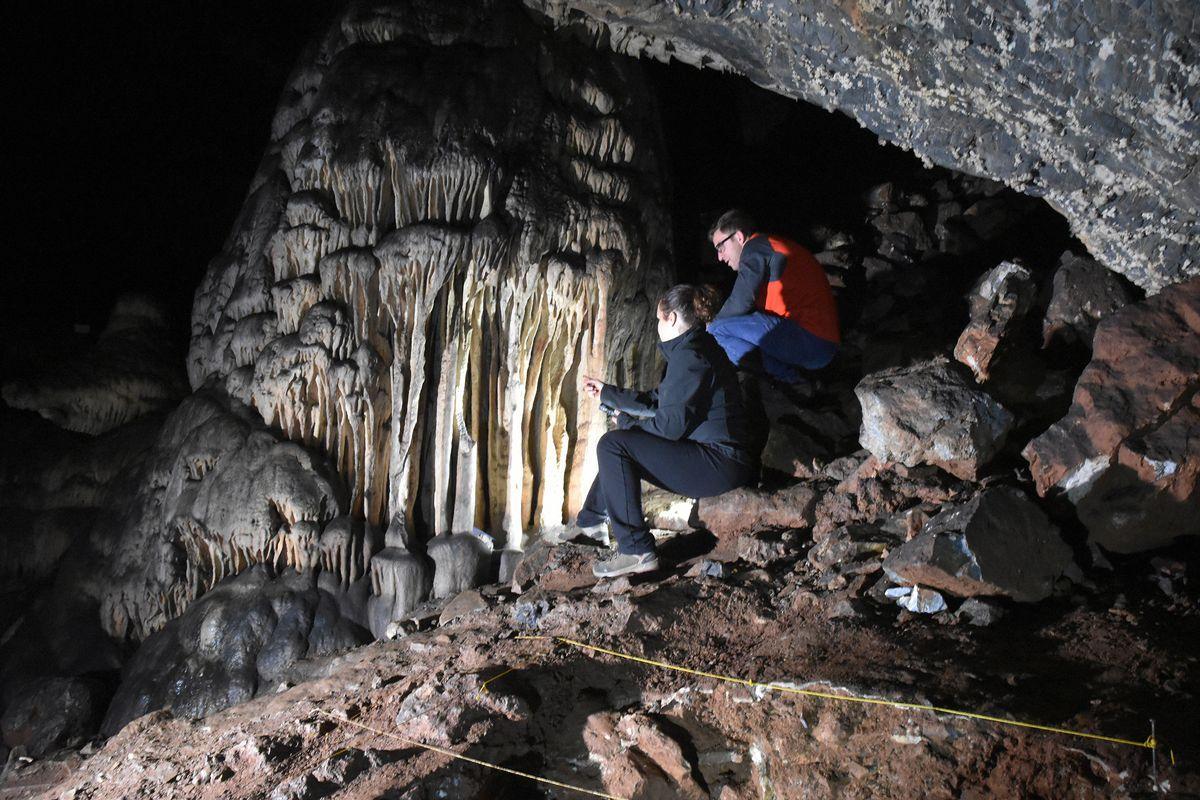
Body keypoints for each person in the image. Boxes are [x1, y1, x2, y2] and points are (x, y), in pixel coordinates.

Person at [577, 284, 758, 579]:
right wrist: (608, 393)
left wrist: (626, 424)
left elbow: (668, 427)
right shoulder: (697, 348)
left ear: (671, 318)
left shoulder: (691, 357)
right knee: (620, 445)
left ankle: (637, 550)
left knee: (614, 446)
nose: (657, 326)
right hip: (720, 459)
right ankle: (590, 521)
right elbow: (659, 400)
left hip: (719, 464)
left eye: (659, 319)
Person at [707, 209, 840, 382]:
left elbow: (741, 301)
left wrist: (709, 326)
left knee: (716, 330)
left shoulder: (755, 247)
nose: (719, 257)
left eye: (720, 247)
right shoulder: (770, 246)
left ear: (739, 237)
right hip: (820, 342)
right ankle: (794, 378)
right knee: (741, 326)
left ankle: (789, 381)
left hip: (810, 340)